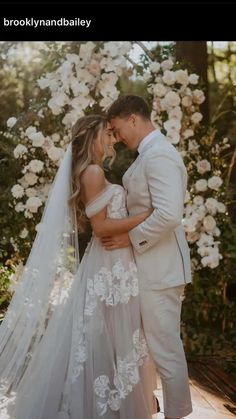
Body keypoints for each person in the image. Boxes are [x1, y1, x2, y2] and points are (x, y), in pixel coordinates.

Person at [0, 115, 157, 419]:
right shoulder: (94, 172)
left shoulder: (94, 171)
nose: (113, 140)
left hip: (115, 263)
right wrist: (146, 217)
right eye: (108, 135)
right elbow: (100, 227)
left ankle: (115, 402)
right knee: (106, 335)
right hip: (108, 266)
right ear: (93, 137)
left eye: (113, 134)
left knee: (114, 335)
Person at [102, 95, 193, 419]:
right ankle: (149, 406)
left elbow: (169, 214)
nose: (117, 137)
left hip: (161, 268)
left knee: (166, 351)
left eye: (117, 129)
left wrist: (129, 237)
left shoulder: (160, 156)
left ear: (133, 120)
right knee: (151, 350)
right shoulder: (147, 155)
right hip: (149, 267)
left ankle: (177, 414)